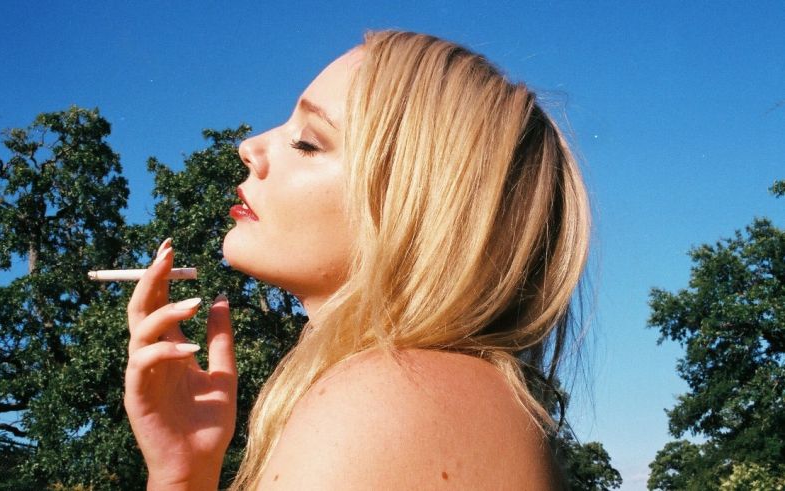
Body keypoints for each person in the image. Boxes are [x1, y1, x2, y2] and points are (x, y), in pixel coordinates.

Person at [124, 30, 590, 490]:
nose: (250, 147)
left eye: (307, 142)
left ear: (418, 208)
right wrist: (183, 476)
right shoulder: (441, 397)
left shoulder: (392, 398)